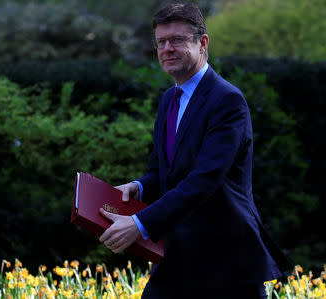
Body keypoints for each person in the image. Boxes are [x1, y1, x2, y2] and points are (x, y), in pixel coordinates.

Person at [99, 2, 292, 298]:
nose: (167, 48)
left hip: (227, 262)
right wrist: (139, 186)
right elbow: (162, 170)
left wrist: (140, 223)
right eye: (161, 42)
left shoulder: (228, 101)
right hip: (179, 252)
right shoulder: (169, 100)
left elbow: (204, 180)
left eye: (177, 40)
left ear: (202, 43)